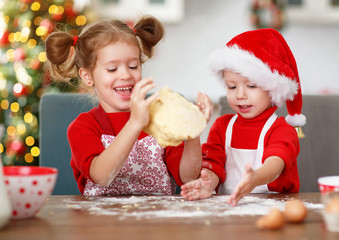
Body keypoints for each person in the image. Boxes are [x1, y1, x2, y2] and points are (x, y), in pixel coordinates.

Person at [44, 16, 213, 196]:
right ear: (87, 76)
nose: (125, 75)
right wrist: (135, 123)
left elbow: (187, 177)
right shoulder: (83, 127)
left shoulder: (160, 117)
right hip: (101, 222)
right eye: (112, 69)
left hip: (157, 219)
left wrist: (193, 132)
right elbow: (101, 176)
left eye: (133, 66)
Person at [181, 28, 306, 206]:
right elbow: (214, 165)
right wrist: (207, 181)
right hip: (231, 211)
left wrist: (255, 178)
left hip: (274, 210)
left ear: (272, 89)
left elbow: (276, 165)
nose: (240, 95)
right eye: (232, 87)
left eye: (251, 86)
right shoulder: (222, 127)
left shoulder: (282, 130)